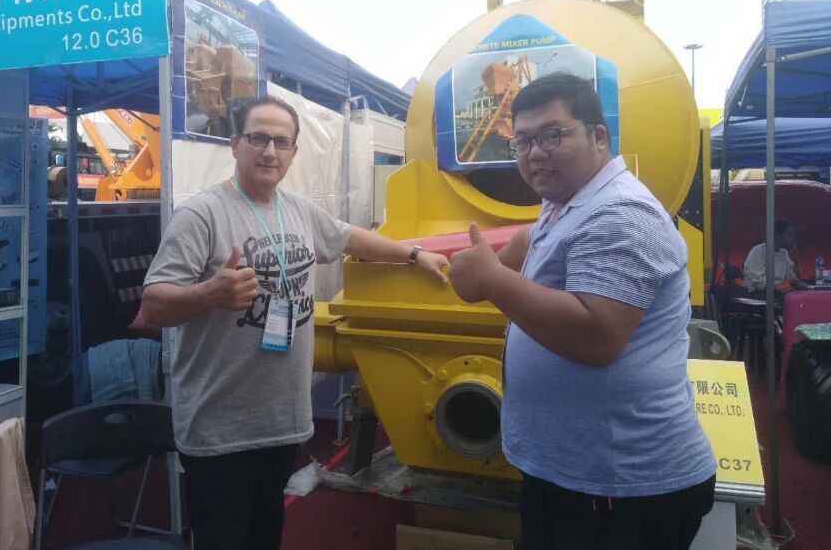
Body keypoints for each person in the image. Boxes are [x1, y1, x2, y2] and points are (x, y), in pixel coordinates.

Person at [140, 96, 449, 550]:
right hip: (220, 429)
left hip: (282, 421)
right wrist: (209, 294)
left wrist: (416, 255)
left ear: (294, 152)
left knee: (266, 535)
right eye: (258, 138)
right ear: (235, 144)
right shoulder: (201, 215)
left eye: (281, 142)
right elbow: (153, 304)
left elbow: (349, 237)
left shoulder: (298, 209)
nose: (270, 151)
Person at [448, 73, 716, 550]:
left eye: (552, 135)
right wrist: (507, 256)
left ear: (599, 137)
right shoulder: (566, 201)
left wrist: (492, 280)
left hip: (621, 489)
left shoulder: (621, 214)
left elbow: (597, 337)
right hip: (576, 476)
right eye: (523, 141)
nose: (534, 153)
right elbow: (540, 238)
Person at [742, 220, 808, 293]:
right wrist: (781, 290)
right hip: (756, 294)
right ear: (777, 236)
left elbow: (793, 279)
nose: (792, 237)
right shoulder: (758, 251)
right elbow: (758, 282)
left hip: (775, 293)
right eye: (789, 234)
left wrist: (796, 258)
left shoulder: (784, 253)